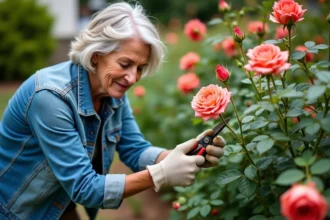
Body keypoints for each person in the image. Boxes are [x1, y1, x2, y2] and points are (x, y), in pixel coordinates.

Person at [0, 2, 225, 220]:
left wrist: (180, 157)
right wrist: (160, 174)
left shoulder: (110, 91)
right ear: (96, 54)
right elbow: (84, 187)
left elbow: (135, 149)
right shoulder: (50, 98)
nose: (133, 78)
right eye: (125, 64)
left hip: (54, 203)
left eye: (140, 68)